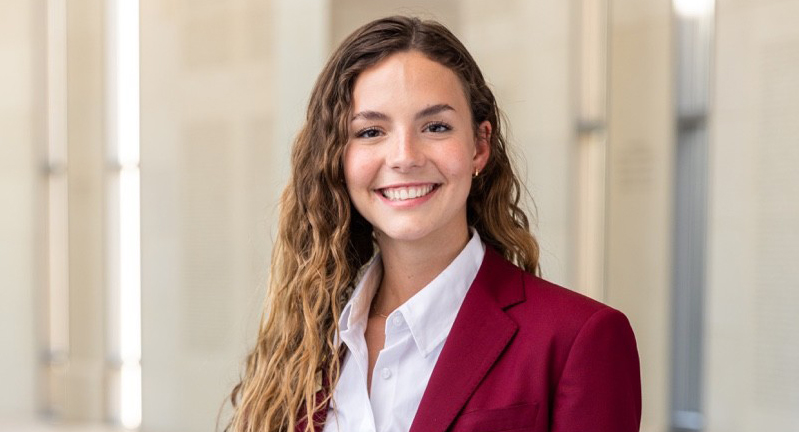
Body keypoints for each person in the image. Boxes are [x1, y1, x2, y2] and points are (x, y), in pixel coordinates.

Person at [226, 15, 641, 432]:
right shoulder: (303, 349)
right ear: (337, 157)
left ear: (480, 146)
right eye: (371, 131)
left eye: (436, 127)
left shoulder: (577, 340)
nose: (405, 156)